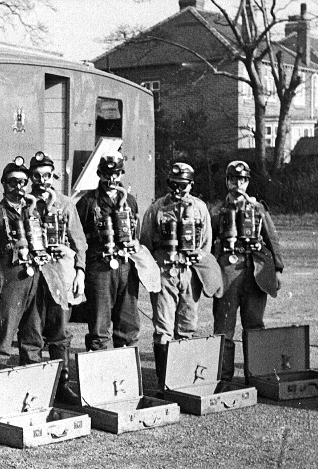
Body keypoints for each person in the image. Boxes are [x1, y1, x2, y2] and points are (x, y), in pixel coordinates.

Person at [140, 162, 223, 394]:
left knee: (187, 324)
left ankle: (183, 378)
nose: (179, 190)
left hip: (190, 272)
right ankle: (163, 382)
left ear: (191, 185)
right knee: (164, 327)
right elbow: (145, 242)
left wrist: (197, 258)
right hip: (165, 272)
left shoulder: (200, 208)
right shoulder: (157, 208)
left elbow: (206, 242)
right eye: (175, 185)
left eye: (183, 186)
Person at [76, 151, 159, 352]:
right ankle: (99, 379)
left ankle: (125, 378)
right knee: (99, 327)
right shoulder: (88, 202)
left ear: (122, 174)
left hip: (126, 266)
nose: (111, 179)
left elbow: (136, 233)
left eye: (116, 173)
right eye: (106, 173)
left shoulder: (130, 200)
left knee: (128, 326)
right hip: (100, 268)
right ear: (99, 174)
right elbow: (77, 238)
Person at [210, 160, 284, 382]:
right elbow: (206, 243)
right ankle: (223, 377)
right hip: (228, 271)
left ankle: (257, 375)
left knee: (254, 324)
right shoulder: (217, 211)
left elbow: (272, 238)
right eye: (233, 179)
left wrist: (277, 269)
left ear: (248, 182)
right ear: (226, 182)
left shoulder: (259, 209)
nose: (238, 184)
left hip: (255, 272)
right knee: (224, 326)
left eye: (242, 180)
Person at [24, 151, 87, 404]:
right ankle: (34, 389)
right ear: (30, 178)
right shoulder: (23, 204)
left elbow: (79, 242)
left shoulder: (65, 203)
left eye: (47, 175)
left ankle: (62, 384)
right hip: (31, 276)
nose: (42, 181)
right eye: (37, 176)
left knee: (59, 331)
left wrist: (80, 271)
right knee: (32, 331)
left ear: (54, 176)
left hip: (59, 274)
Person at [0, 157, 42, 369]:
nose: (18, 187)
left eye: (23, 182)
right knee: (2, 337)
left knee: (33, 337)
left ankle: (32, 389)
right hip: (9, 280)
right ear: (3, 183)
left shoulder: (33, 210)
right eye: (13, 182)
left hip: (34, 279)